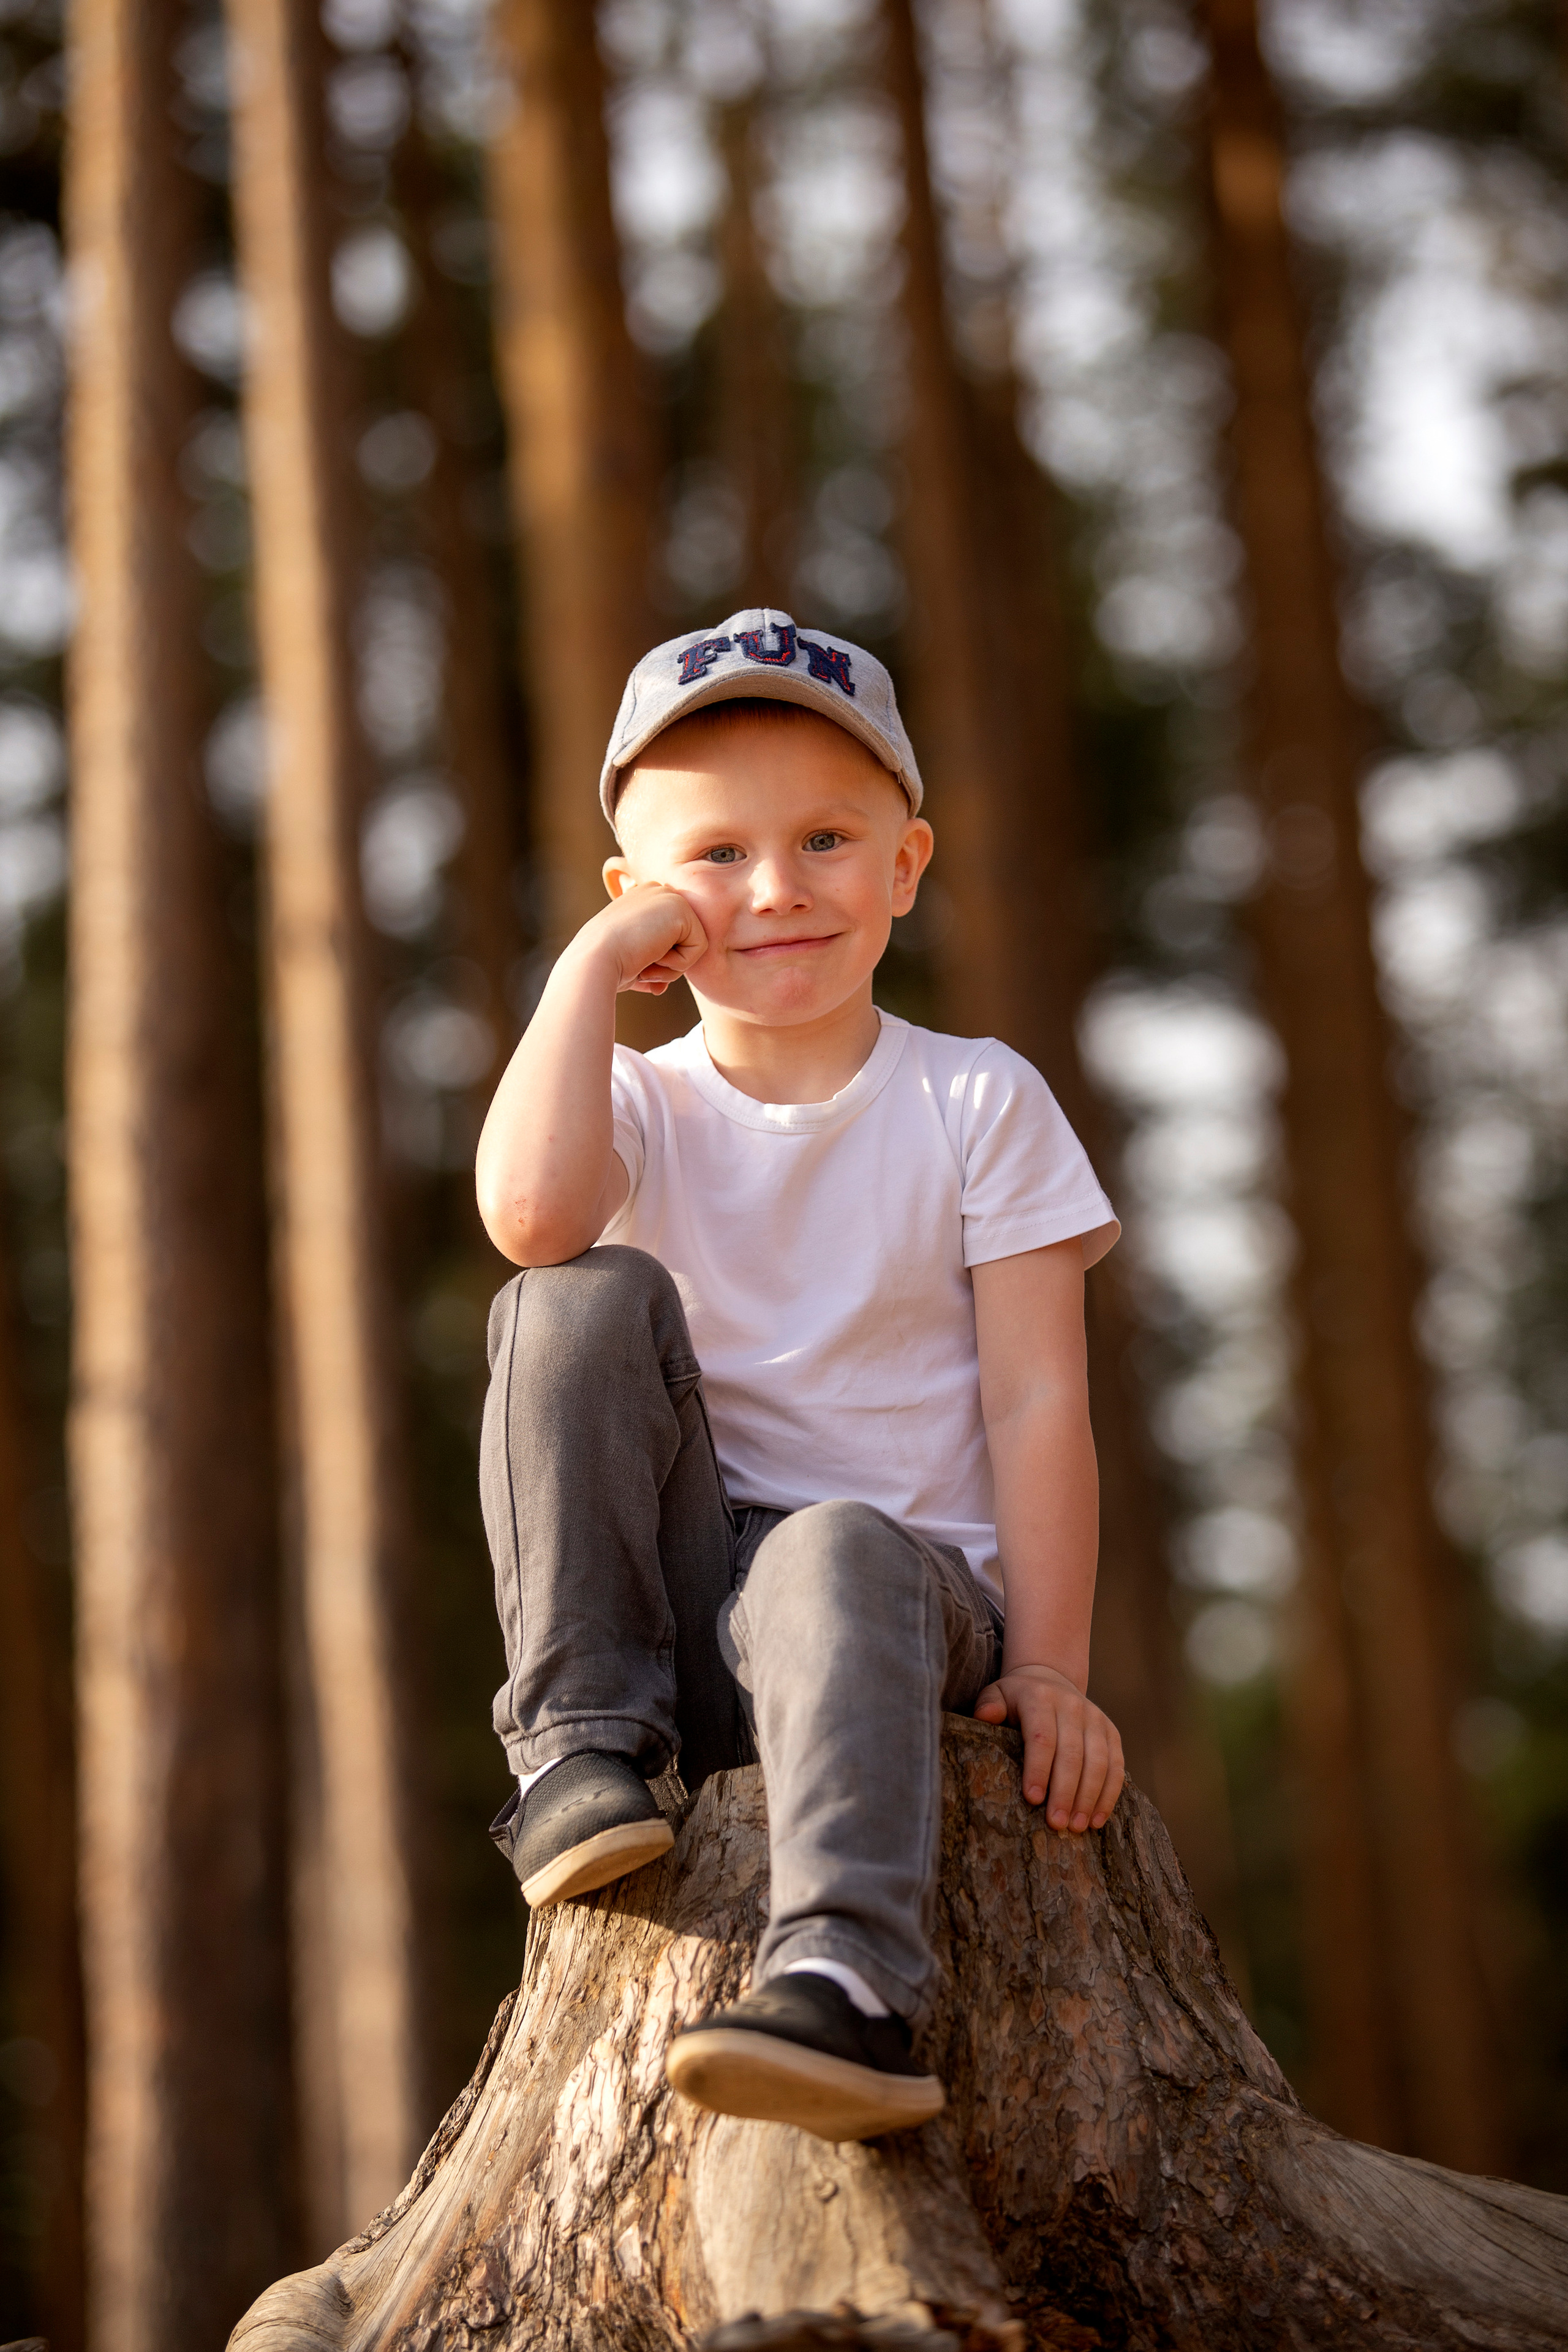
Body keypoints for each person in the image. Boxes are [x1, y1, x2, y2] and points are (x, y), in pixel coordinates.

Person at [475, 609, 1125, 2144]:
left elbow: (1039, 1402)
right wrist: (585, 971)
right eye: (714, 857)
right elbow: (527, 1218)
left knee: (832, 1544)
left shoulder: (976, 1096)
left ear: (904, 866)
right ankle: (580, 1744)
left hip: (899, 1616)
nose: (774, 890)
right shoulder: (635, 1103)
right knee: (570, 1300)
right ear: (641, 901)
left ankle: (844, 1982)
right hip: (690, 1626)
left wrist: (1048, 1668)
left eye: (827, 839)